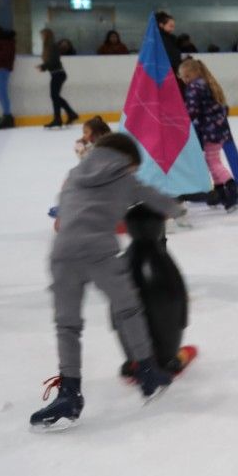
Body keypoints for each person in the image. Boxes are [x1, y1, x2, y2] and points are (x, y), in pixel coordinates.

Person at [29, 133, 185, 429]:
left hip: (62, 253)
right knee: (128, 309)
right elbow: (155, 199)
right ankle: (148, 372)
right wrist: (178, 209)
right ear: (128, 161)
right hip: (99, 252)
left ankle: (69, 393)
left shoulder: (74, 174)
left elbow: (62, 212)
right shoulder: (125, 178)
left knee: (67, 325)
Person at [177, 59, 238, 211]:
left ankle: (233, 191)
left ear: (195, 73)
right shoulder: (208, 83)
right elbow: (223, 108)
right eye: (183, 78)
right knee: (211, 160)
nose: (185, 81)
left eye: (187, 76)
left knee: (213, 162)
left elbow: (192, 111)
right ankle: (220, 193)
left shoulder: (194, 87)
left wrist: (181, 120)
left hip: (210, 130)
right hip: (219, 129)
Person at [37, 28, 80, 129]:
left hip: (58, 74)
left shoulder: (52, 46)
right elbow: (51, 62)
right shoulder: (49, 47)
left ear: (47, 36)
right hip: (56, 74)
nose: (41, 37)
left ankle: (61, 117)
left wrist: (43, 67)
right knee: (55, 96)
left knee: (54, 96)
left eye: (43, 35)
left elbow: (54, 60)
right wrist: (43, 67)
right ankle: (67, 115)